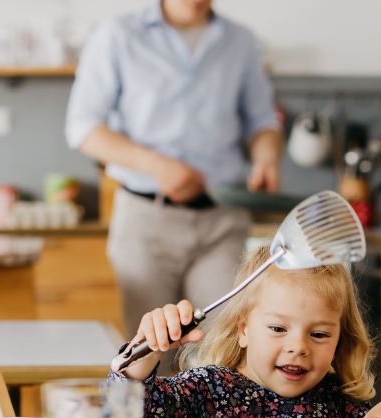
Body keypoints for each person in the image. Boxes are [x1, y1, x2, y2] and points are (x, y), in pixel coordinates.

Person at [66, 0, 283, 344]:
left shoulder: (240, 41)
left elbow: (263, 122)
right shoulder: (118, 35)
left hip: (221, 222)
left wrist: (266, 156)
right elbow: (83, 128)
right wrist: (156, 165)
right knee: (148, 352)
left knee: (222, 348)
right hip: (145, 223)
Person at [114, 246, 381, 418]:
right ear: (243, 330)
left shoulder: (337, 401)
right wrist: (144, 355)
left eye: (319, 335)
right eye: (277, 328)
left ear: (340, 341)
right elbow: (127, 415)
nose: (298, 347)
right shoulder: (209, 389)